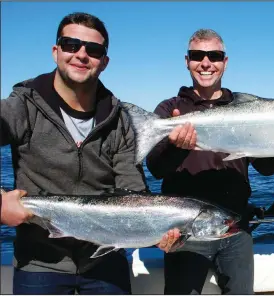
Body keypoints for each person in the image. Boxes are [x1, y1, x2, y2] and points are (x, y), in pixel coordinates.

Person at [0, 12, 177, 294]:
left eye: (93, 50)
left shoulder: (119, 120)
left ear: (104, 61)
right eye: (71, 45)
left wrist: (156, 229)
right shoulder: (22, 106)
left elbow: (131, 186)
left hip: (106, 260)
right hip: (39, 262)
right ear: (55, 51)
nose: (81, 55)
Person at [146, 28, 274, 295]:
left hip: (235, 227)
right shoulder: (170, 110)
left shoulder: (245, 109)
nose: (206, 63)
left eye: (214, 56)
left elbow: (264, 167)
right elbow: (156, 169)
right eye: (198, 55)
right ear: (187, 61)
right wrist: (176, 147)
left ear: (225, 62)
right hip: (186, 231)